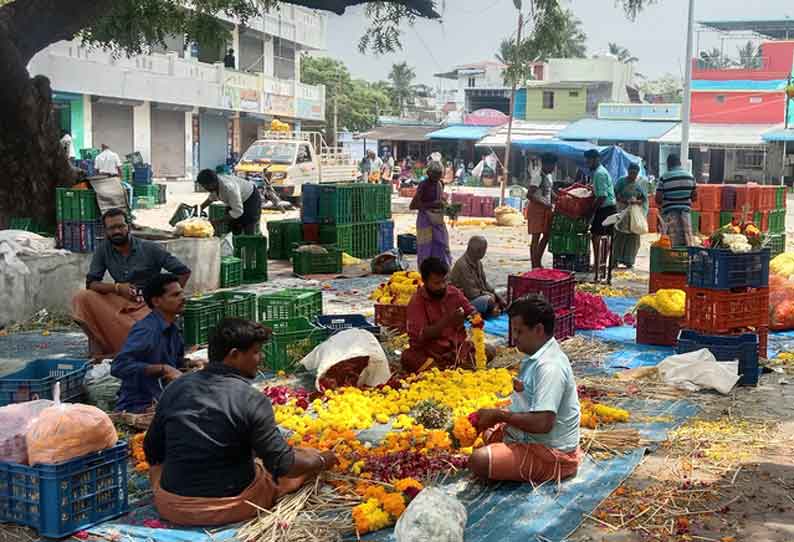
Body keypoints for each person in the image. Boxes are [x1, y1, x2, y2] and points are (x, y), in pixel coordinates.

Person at [144, 318, 338, 526]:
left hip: (172, 506)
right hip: (230, 506)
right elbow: (283, 465)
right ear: (234, 355)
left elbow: (152, 450)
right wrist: (322, 460)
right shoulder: (251, 399)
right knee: (299, 463)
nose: (260, 358)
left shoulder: (177, 387)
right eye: (255, 352)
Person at [467, 294, 582, 484]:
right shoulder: (536, 356)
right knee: (482, 428)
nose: (515, 339)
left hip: (551, 453)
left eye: (519, 332)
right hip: (531, 437)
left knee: (478, 460)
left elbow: (543, 423)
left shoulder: (550, 367)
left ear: (538, 330)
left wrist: (501, 416)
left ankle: (542, 465)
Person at [72, 209, 191, 357]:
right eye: (111, 228)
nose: (117, 231)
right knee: (82, 298)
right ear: (105, 231)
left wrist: (169, 299)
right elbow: (92, 283)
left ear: (128, 226)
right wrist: (117, 288)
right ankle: (100, 347)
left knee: (140, 329)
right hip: (122, 299)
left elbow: (183, 271)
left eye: (120, 226)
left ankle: (123, 351)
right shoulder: (103, 250)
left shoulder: (150, 248)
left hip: (148, 304)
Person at [112, 274, 186, 413]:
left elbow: (177, 363)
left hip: (165, 399)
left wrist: (190, 364)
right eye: (175, 295)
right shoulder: (147, 330)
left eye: (182, 293)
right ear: (157, 301)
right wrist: (163, 369)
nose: (183, 298)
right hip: (139, 406)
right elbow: (119, 366)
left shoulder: (173, 328)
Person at [401, 257, 484, 373]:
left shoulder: (453, 292)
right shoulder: (417, 302)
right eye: (436, 283)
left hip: (456, 349)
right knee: (408, 357)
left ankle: (457, 367)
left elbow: (472, 312)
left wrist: (474, 318)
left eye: (444, 281)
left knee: (489, 350)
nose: (442, 286)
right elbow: (422, 335)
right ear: (425, 281)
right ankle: (443, 371)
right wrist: (448, 320)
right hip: (431, 354)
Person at [449, 236, 506, 317]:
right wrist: (492, 296)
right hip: (465, 301)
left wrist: (496, 295)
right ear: (476, 251)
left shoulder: (477, 262)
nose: (484, 253)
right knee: (490, 300)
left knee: (503, 293)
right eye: (483, 250)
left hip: (479, 295)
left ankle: (493, 308)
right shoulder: (462, 265)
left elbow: (484, 283)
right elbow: (471, 293)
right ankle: (491, 309)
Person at [410, 161, 452, 268]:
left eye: (439, 175)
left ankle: (441, 269)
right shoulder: (423, 185)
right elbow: (413, 205)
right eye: (435, 175)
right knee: (426, 247)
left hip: (437, 220)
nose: (436, 178)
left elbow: (440, 199)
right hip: (425, 220)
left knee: (441, 244)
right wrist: (431, 204)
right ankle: (425, 271)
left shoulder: (440, 184)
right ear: (429, 173)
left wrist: (445, 205)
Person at [197, 169, 262, 235]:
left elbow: (238, 211)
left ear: (213, 183)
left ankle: (249, 242)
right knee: (233, 226)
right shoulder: (215, 184)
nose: (205, 188)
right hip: (237, 200)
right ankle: (234, 241)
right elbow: (212, 197)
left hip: (250, 198)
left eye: (206, 186)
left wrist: (218, 221)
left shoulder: (229, 188)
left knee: (248, 224)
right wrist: (201, 207)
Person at [584, 149, 617, 270]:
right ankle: (601, 263)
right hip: (608, 207)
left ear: (596, 159)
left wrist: (591, 211)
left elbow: (602, 196)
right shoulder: (600, 172)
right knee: (605, 236)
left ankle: (598, 264)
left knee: (596, 236)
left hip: (605, 208)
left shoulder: (599, 173)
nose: (587, 164)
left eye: (588, 161)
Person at [656, 154, 697, 247]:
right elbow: (694, 197)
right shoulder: (690, 176)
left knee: (671, 242)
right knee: (687, 240)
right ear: (680, 163)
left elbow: (658, 199)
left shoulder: (664, 177)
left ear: (668, 164)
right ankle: (685, 259)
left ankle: (672, 260)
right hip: (685, 214)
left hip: (670, 215)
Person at [612, 163, 649, 269]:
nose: (633, 175)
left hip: (635, 213)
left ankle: (629, 260)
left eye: (635, 173)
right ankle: (616, 259)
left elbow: (644, 199)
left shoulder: (640, 183)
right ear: (628, 171)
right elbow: (616, 194)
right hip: (623, 211)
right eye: (631, 173)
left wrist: (636, 202)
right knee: (619, 235)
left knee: (633, 235)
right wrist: (625, 201)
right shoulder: (621, 181)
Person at [527, 153, 556, 269]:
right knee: (536, 237)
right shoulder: (537, 176)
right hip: (536, 209)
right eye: (552, 166)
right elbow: (530, 194)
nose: (553, 169)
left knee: (547, 235)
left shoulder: (548, 176)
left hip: (546, 209)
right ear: (546, 164)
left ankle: (537, 259)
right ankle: (534, 264)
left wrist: (558, 197)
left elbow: (549, 190)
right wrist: (543, 202)